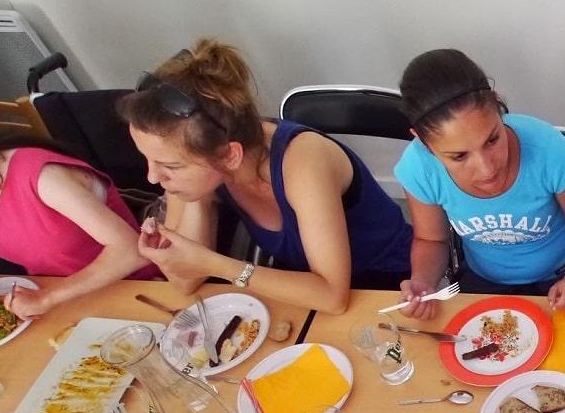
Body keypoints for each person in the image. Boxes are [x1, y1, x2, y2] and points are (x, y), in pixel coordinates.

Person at [120, 39, 412, 314]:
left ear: (229, 155)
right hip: (301, 294)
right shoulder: (201, 166)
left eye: (170, 166)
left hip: (389, 286)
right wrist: (200, 198)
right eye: (149, 159)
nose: (153, 177)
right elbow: (185, 283)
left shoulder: (302, 162)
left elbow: (333, 297)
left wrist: (215, 264)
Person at [394, 49, 565, 315]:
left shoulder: (548, 150)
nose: (486, 170)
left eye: (492, 140)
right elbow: (431, 240)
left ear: (498, 106)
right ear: (423, 142)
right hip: (484, 281)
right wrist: (424, 283)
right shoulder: (418, 168)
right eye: (459, 156)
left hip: (564, 273)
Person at [0, 128, 153, 318]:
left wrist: (48, 298)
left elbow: (130, 251)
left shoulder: (43, 177)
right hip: (64, 300)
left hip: (135, 288)